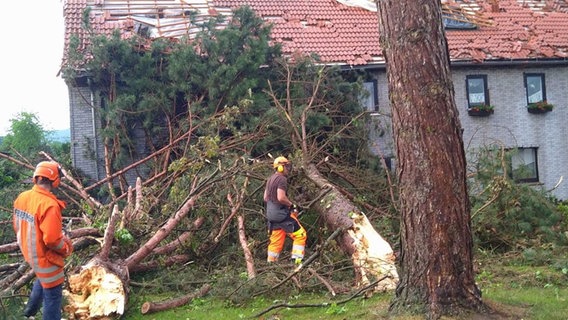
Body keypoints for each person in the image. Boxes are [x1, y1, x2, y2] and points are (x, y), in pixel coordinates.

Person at [13, 161, 73, 320]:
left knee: (42, 279)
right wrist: (66, 247)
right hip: (45, 258)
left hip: (30, 253)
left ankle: (29, 313)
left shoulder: (22, 197)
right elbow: (53, 240)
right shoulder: (49, 205)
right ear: (55, 179)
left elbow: (19, 225)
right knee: (53, 297)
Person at [264, 156, 307, 267]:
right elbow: (281, 198)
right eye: (286, 166)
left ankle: (271, 266)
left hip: (271, 216)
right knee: (300, 235)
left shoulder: (270, 179)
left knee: (275, 242)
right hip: (280, 215)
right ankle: (297, 262)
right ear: (280, 168)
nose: (288, 168)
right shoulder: (282, 179)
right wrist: (291, 205)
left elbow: (265, 198)